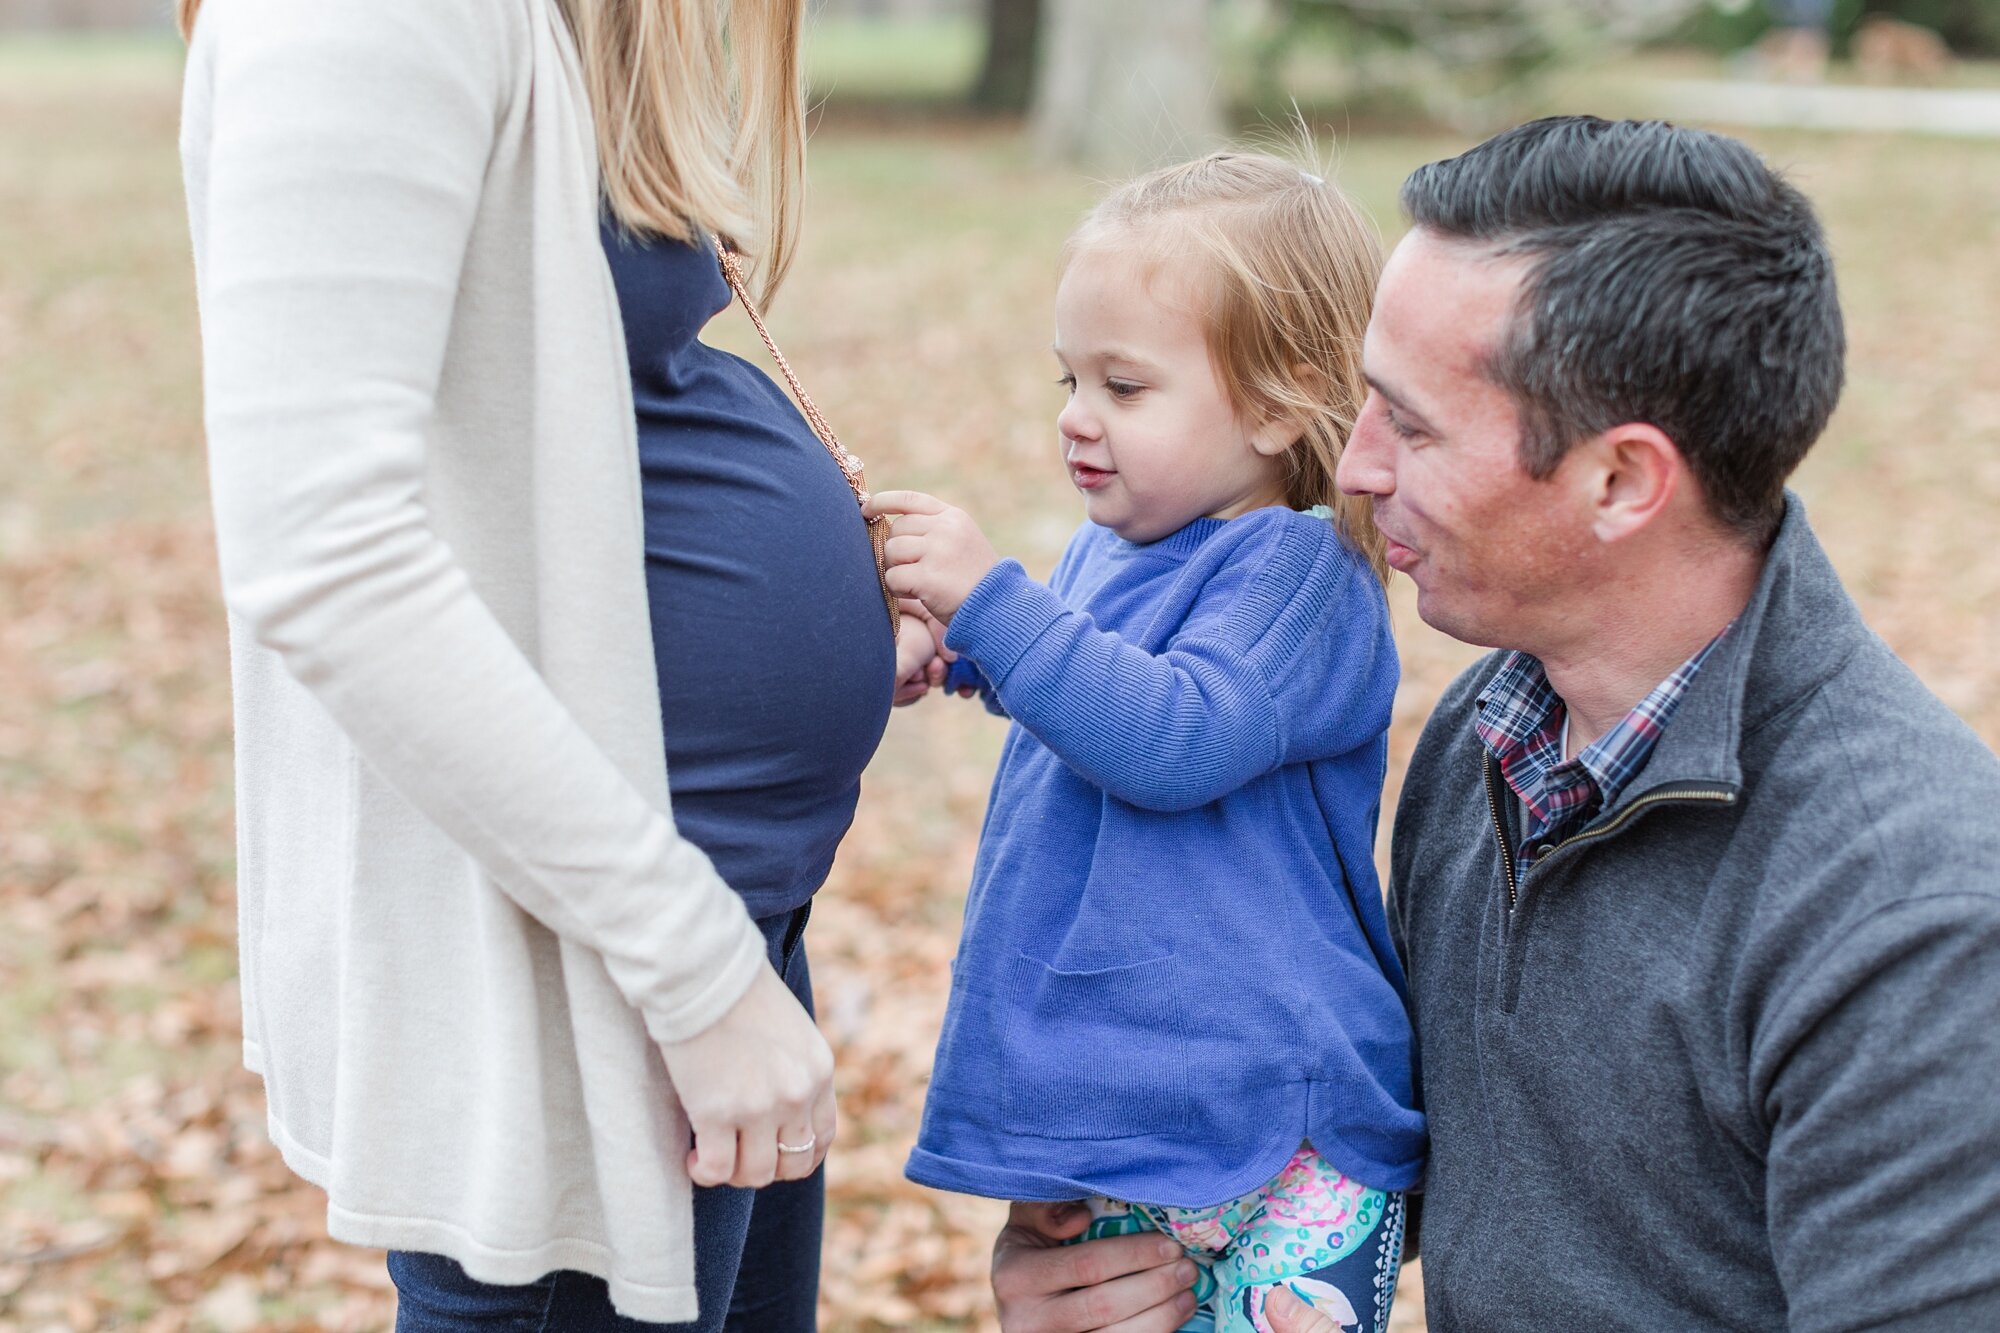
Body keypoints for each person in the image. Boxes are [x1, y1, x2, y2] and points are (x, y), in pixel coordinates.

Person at [995, 115, 2000, 1333]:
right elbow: (1370, 1187)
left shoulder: (1909, 916)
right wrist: (1117, 1252)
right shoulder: (1490, 740)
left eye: (1408, 425)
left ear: (1620, 480)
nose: (1352, 467)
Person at [178, 0, 938, 1327]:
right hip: (603, 971)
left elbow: (528, 414)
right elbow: (328, 558)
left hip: (701, 929)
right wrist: (694, 966)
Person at [871, 151, 1424, 1333]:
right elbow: (1085, 682)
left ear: (1280, 401)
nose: (1075, 417)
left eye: (1123, 386)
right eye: (1067, 379)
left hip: (1281, 1124)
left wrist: (995, 608)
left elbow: (1174, 733)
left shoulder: (1299, 571)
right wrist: (955, 656)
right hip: (1127, 1105)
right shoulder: (1109, 555)